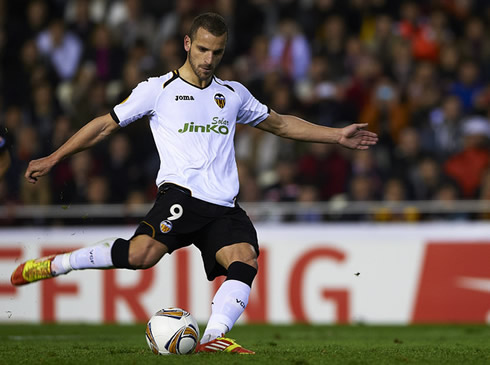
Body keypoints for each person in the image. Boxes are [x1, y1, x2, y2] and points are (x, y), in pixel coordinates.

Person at [11, 13, 378, 354]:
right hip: (181, 197)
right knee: (141, 256)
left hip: (223, 205)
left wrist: (336, 135)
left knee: (245, 258)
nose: (208, 59)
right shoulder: (158, 90)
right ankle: (61, 264)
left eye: (216, 52)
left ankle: (214, 339)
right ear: (187, 44)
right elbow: (105, 124)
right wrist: (55, 156)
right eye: (202, 49)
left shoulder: (233, 94)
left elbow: (281, 124)